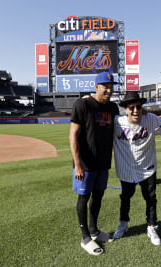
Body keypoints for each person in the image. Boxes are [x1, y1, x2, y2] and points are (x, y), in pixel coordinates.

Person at [112, 91, 161, 246]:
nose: (136, 110)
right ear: (125, 109)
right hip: (126, 169)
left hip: (147, 168)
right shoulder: (116, 122)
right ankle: (123, 224)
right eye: (132, 107)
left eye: (138, 107)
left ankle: (151, 226)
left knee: (150, 199)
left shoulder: (151, 119)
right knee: (125, 198)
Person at [69, 72, 119, 255]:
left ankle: (94, 230)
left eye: (111, 85)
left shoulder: (113, 108)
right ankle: (85, 238)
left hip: (103, 163)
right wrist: (78, 164)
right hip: (86, 164)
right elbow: (73, 135)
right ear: (96, 86)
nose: (109, 89)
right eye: (105, 85)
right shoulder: (83, 105)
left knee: (98, 197)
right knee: (84, 198)